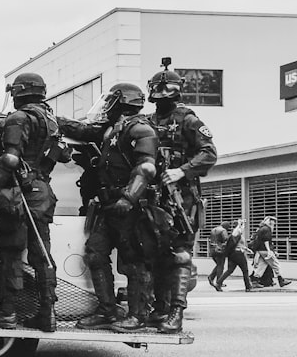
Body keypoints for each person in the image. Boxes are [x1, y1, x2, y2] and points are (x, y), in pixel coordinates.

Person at [58, 83, 159, 332]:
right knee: (95, 252)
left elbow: (146, 168)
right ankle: (107, 309)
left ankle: (138, 315)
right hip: (108, 204)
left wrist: (129, 198)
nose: (106, 106)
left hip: (129, 206)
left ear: (120, 101)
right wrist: (52, 117)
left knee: (134, 261)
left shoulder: (140, 129)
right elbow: (82, 130)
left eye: (110, 101)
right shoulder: (114, 129)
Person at [0, 72, 70, 331]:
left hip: (19, 191)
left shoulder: (20, 117)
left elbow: (11, 159)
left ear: (18, 92)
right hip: (42, 190)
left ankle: (9, 311)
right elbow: (60, 155)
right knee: (42, 254)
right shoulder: (51, 120)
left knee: (11, 251)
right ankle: (48, 312)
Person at [145, 59, 218, 332]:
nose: (162, 93)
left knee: (180, 255)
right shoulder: (148, 121)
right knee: (155, 254)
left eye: (167, 88)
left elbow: (209, 152)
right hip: (153, 196)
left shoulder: (188, 119)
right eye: (158, 88)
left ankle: (176, 313)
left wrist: (182, 171)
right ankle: (159, 308)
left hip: (181, 197)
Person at [249, 216, 291, 288]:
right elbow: (266, 241)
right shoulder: (267, 229)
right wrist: (269, 251)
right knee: (276, 264)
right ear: (270, 221)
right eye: (273, 221)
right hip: (265, 250)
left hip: (260, 250)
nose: (274, 223)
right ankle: (281, 280)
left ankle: (255, 281)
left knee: (261, 266)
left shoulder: (261, 228)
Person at [217, 218, 252, 291]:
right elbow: (238, 231)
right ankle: (248, 287)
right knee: (245, 270)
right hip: (238, 254)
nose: (243, 228)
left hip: (232, 254)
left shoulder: (237, 234)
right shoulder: (236, 233)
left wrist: (246, 249)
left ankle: (219, 283)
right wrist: (240, 224)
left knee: (230, 270)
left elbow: (239, 244)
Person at [207, 221, 230, 291]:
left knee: (218, 265)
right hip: (220, 250)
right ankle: (219, 281)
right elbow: (226, 239)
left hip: (212, 249)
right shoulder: (223, 230)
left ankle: (211, 277)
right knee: (220, 266)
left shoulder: (213, 230)